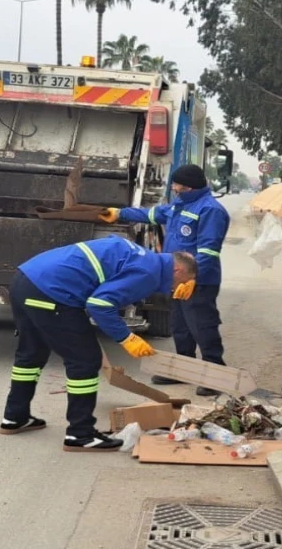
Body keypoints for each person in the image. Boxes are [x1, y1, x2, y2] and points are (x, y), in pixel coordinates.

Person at [0, 236, 199, 452]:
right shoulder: (149, 274)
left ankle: (15, 417)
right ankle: (80, 434)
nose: (178, 288)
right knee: (85, 360)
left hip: (26, 279)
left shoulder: (144, 258)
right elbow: (99, 304)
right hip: (52, 292)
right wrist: (126, 337)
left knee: (31, 353)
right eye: (184, 282)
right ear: (177, 270)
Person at [98, 164, 230, 396]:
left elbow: (208, 252)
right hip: (176, 278)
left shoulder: (211, 210)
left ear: (189, 187)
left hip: (199, 281)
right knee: (180, 327)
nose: (174, 188)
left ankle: (215, 375)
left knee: (202, 326)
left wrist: (193, 277)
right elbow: (151, 215)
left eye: (178, 185)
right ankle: (183, 370)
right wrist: (120, 213)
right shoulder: (180, 204)